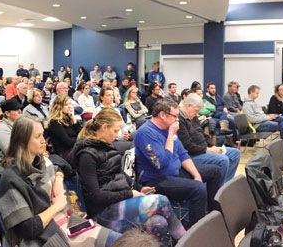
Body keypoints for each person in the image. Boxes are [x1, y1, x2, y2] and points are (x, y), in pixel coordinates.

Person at [0, 116, 121, 247]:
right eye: (38, 136)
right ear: (22, 141)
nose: (43, 141)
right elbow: (28, 230)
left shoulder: (41, 163)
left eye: (43, 135)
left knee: (120, 240)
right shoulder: (10, 180)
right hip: (44, 236)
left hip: (64, 223)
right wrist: (58, 206)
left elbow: (58, 167)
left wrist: (58, 179)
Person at [67, 109, 186, 246]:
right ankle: (185, 241)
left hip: (118, 202)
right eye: (115, 131)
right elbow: (95, 196)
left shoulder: (106, 145)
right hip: (103, 211)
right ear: (104, 128)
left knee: (159, 222)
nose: (117, 135)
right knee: (160, 200)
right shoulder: (87, 156)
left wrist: (139, 188)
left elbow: (120, 175)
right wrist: (129, 193)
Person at [133, 99, 224, 227]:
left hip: (175, 172)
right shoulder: (145, 133)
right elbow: (160, 163)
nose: (177, 120)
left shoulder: (168, 128)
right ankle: (197, 229)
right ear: (162, 115)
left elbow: (183, 154)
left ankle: (212, 213)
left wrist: (196, 175)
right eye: (175, 116)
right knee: (198, 189)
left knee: (215, 171)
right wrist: (170, 135)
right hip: (157, 179)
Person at [176, 93, 242, 182]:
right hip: (193, 155)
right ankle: (217, 188)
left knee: (235, 153)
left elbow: (203, 134)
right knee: (223, 159)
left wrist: (212, 146)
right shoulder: (179, 120)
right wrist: (208, 150)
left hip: (203, 149)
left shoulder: (192, 116)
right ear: (188, 106)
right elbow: (187, 146)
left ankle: (225, 183)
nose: (196, 114)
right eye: (196, 111)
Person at [243, 85, 283, 153]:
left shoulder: (254, 103)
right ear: (251, 92)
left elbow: (260, 115)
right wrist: (267, 117)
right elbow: (252, 119)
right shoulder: (247, 105)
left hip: (264, 121)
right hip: (259, 125)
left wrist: (269, 115)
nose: (258, 95)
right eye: (257, 93)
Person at [46, 95, 81, 175]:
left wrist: (74, 121)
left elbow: (81, 134)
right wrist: (80, 140)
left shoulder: (69, 118)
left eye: (70, 104)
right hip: (64, 153)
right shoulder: (54, 122)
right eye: (66, 105)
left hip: (73, 148)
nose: (70, 107)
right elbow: (67, 142)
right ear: (59, 106)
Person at [0, 99, 24, 177]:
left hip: (17, 165)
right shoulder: (2, 129)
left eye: (20, 109)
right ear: (7, 113)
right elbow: (13, 153)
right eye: (16, 110)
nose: (20, 112)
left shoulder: (18, 125)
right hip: (3, 169)